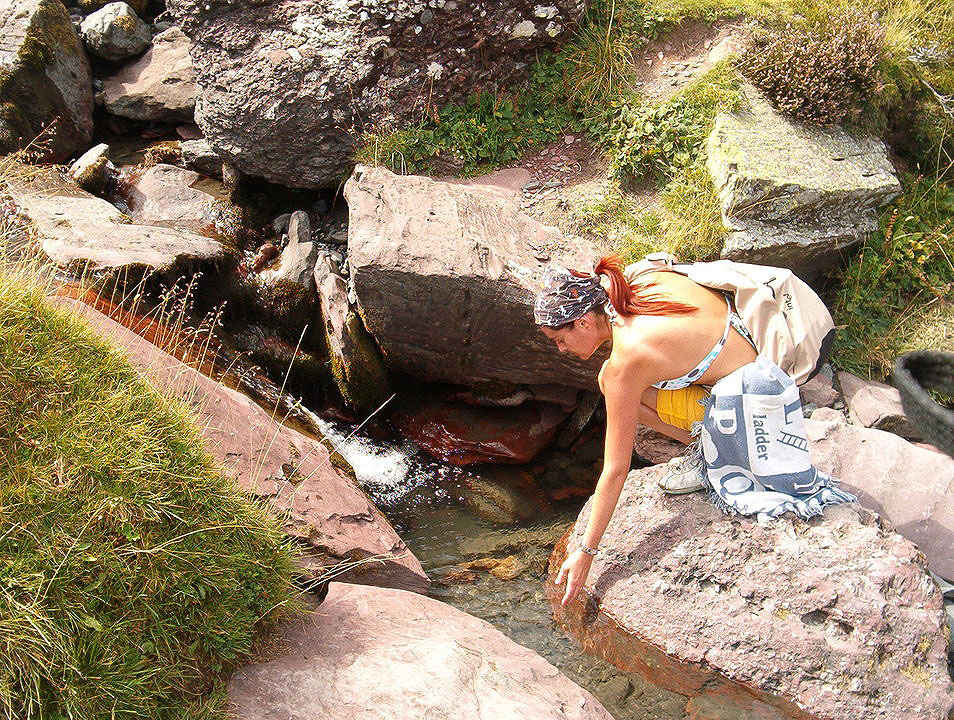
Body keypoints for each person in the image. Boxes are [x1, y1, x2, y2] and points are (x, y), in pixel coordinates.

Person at [536, 253, 852, 608]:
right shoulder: (637, 283)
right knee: (616, 382)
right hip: (778, 337)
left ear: (581, 323)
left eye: (557, 339)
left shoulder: (626, 363)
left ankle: (716, 455)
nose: (560, 349)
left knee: (613, 386)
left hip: (762, 399)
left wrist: (586, 552)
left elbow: (616, 469)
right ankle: (711, 436)